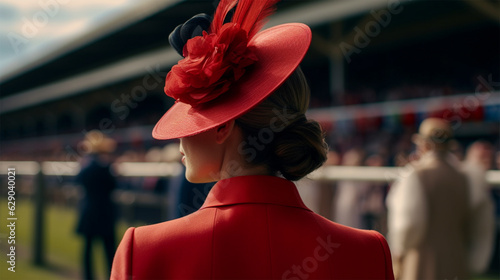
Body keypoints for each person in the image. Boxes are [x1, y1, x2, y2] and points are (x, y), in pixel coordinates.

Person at [111, 1, 394, 279]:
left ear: (223, 128)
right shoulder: (369, 250)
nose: (181, 140)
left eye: (193, 120)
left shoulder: (145, 250)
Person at [386, 118, 470, 279]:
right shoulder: (463, 176)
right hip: (457, 259)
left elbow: (407, 224)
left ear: (424, 145)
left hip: (422, 261)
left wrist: (399, 251)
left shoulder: (416, 174)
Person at [75, 130, 117, 280]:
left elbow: (78, 181)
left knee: (87, 249)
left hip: (89, 211)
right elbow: (113, 185)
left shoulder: (85, 166)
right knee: (109, 250)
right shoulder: (106, 166)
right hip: (105, 212)